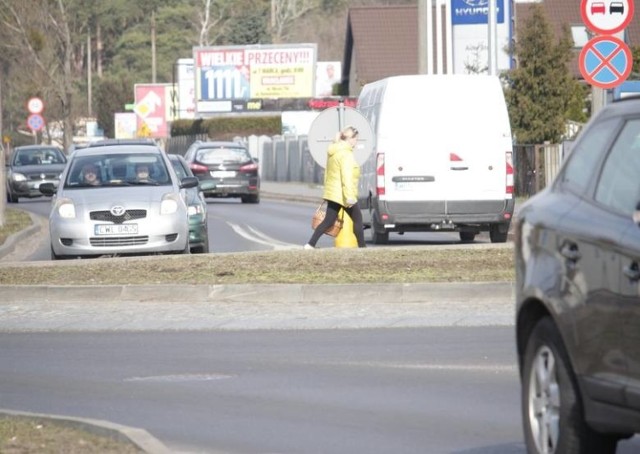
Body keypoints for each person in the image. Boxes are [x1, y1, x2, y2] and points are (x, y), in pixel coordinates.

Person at [305, 125, 366, 249]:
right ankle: (362, 247)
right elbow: (346, 176)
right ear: (350, 138)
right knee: (358, 219)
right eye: (356, 139)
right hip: (344, 194)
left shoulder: (334, 151)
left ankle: (310, 244)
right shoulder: (346, 154)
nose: (356, 142)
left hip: (334, 193)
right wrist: (349, 196)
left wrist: (327, 191)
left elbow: (328, 172)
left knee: (328, 220)